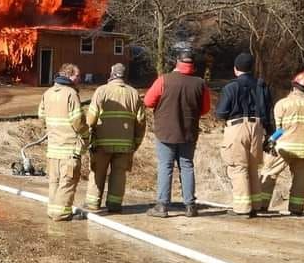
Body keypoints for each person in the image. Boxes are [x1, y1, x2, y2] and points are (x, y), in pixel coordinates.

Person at [143, 52, 209, 218]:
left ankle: (163, 205)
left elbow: (148, 101)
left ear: (178, 63)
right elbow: (205, 109)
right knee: (187, 165)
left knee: (166, 166)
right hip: (188, 132)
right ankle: (190, 206)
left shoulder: (164, 80)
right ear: (193, 65)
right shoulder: (200, 83)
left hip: (166, 132)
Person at [256, 71, 304, 215]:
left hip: (283, 147)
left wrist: (272, 140)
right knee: (300, 179)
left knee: (269, 173)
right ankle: (296, 209)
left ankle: (261, 206)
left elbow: (278, 129)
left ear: (294, 86)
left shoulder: (282, 104)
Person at [214, 53, 274, 217]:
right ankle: (255, 205)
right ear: (252, 68)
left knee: (238, 167)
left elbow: (221, 113)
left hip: (237, 127)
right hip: (258, 127)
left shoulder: (230, 87)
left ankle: (241, 208)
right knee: (253, 167)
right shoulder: (262, 86)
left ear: (235, 69)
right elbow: (269, 111)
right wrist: (270, 134)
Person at [84, 63, 146, 214]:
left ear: (111, 74)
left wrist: (87, 134)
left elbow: (91, 118)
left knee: (97, 172)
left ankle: (93, 204)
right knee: (119, 174)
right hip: (125, 144)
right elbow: (141, 122)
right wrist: (136, 142)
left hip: (101, 143)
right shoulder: (133, 93)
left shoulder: (102, 91)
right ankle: (114, 204)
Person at [38, 63, 88, 222]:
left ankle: (53, 210)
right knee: (67, 181)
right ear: (69, 75)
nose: (79, 79)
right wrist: (87, 135)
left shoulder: (48, 93)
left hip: (53, 148)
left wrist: (53, 130)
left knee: (54, 181)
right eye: (77, 76)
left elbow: (41, 116)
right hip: (69, 148)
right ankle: (61, 214)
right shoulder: (71, 94)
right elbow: (78, 121)